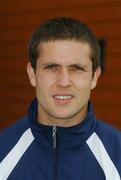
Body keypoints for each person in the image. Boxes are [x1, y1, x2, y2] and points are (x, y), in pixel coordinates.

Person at [0, 17, 121, 180]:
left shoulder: (117, 154)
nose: (64, 82)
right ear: (32, 74)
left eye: (77, 68)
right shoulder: (3, 149)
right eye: (51, 68)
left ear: (94, 77)